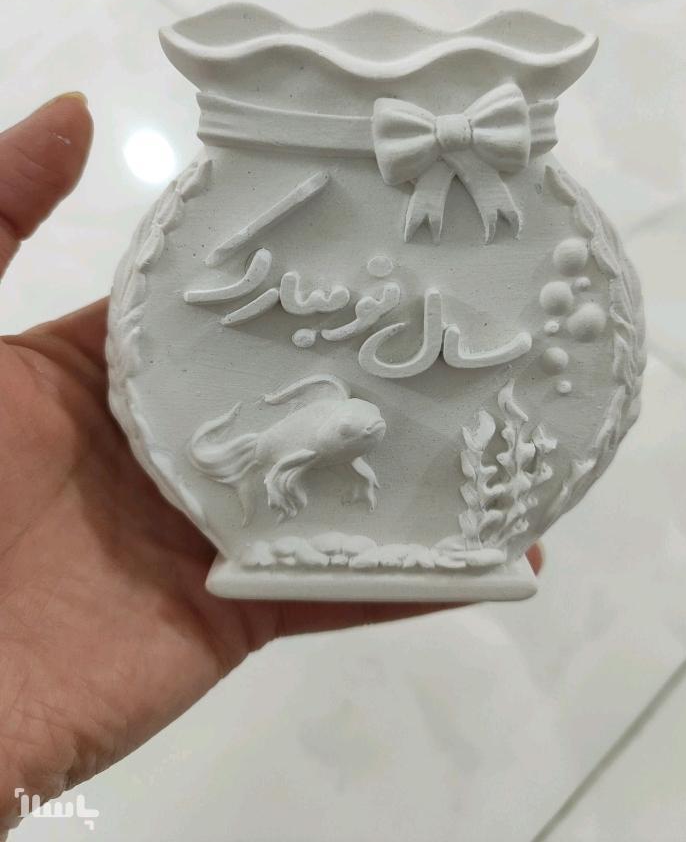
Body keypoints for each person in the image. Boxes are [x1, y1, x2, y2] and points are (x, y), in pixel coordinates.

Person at [0, 95, 542, 834]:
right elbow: (305, 438)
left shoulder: (345, 412)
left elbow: (337, 425)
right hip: (270, 445)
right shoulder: (309, 427)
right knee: (280, 466)